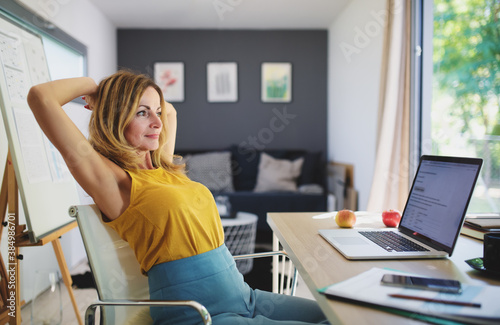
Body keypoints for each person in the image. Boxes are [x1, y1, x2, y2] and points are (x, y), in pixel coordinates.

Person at [27, 70, 329, 324]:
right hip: (202, 314)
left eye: (155, 112)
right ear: (114, 116)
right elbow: (41, 97)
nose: (158, 123)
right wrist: (97, 88)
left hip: (245, 296)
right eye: (142, 113)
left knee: (338, 316)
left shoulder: (164, 167)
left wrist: (143, 101)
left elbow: (170, 110)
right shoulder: (112, 181)